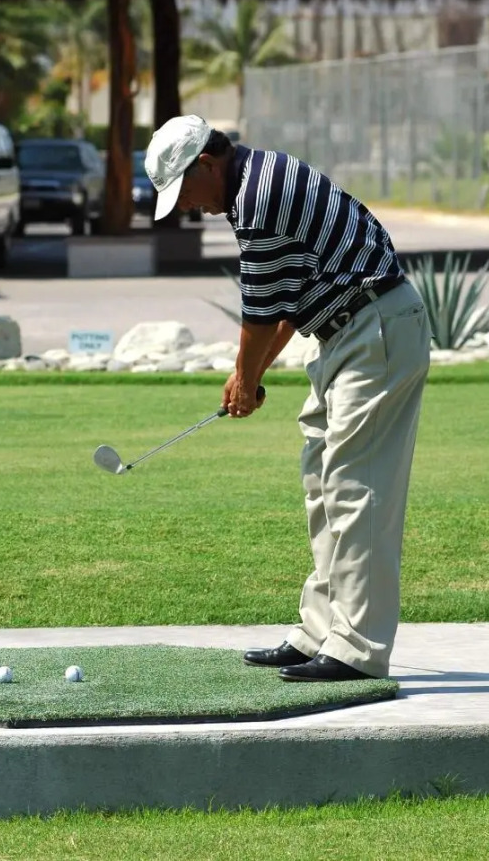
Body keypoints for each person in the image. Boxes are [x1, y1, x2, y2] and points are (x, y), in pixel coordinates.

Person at [144, 114, 431, 682]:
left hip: (375, 329)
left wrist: (246, 380)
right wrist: (246, 377)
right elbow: (286, 301)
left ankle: (358, 649)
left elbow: (258, 312)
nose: (186, 207)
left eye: (184, 191)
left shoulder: (259, 197)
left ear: (207, 163)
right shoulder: (254, 182)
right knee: (324, 485)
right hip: (344, 334)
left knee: (356, 487)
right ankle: (322, 629)